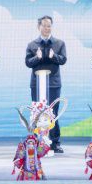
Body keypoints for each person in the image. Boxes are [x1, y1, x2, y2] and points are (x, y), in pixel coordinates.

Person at [25, 15, 67, 153]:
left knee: (52, 113)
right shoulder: (32, 44)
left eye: (49, 26)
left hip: (53, 83)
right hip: (36, 84)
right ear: (39, 27)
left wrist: (53, 56)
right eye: (44, 25)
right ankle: (38, 141)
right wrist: (36, 57)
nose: (46, 28)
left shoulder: (59, 43)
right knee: (38, 113)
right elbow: (28, 63)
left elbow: (63, 60)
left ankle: (55, 143)